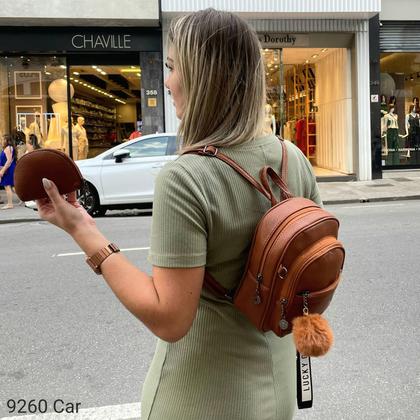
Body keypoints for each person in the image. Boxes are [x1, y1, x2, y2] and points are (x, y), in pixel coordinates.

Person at [36, 9, 321, 420]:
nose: (167, 82)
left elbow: (169, 318)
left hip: (200, 398)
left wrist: (82, 229)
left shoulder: (186, 177)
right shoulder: (291, 159)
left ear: (203, 77)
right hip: (277, 391)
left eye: (172, 67)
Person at [0, 134, 17, 209]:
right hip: (9, 168)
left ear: (7, 140)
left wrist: (2, 171)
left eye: (3, 139)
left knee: (7, 186)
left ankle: (10, 204)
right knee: (12, 187)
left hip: (8, 169)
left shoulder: (8, 148)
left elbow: (9, 161)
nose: (2, 141)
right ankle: (28, 199)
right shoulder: (9, 148)